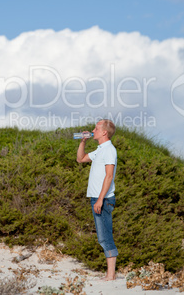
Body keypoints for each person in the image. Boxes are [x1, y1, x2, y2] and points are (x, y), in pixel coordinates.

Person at [76, 119, 118, 281]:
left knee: (105, 235)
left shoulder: (109, 150)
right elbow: (81, 159)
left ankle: (111, 275)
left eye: (96, 128)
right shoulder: (101, 149)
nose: (93, 130)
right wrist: (82, 142)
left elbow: (109, 176)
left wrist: (100, 199)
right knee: (103, 235)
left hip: (104, 199)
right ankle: (110, 274)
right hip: (97, 198)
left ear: (104, 132)